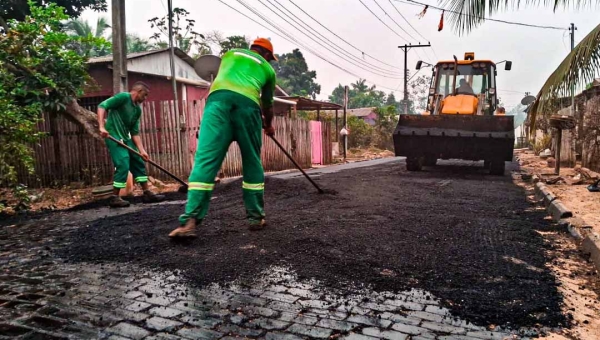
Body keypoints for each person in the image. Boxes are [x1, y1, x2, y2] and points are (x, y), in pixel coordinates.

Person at [168, 38, 277, 238]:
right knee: (252, 161)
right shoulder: (268, 70)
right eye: (271, 58)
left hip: (216, 104)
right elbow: (268, 104)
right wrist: (268, 125)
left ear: (252, 48)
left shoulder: (229, 54)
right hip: (248, 107)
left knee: (205, 161)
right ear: (268, 55)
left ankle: (189, 222)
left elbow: (230, 83)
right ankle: (255, 218)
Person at [97, 82, 165, 208]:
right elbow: (102, 106)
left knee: (138, 160)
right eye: (144, 95)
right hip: (113, 136)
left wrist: (142, 150)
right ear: (138, 91)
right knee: (123, 162)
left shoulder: (137, 110)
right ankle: (114, 197)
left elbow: (134, 133)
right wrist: (101, 126)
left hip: (125, 137)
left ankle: (147, 193)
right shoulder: (123, 97)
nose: (145, 99)